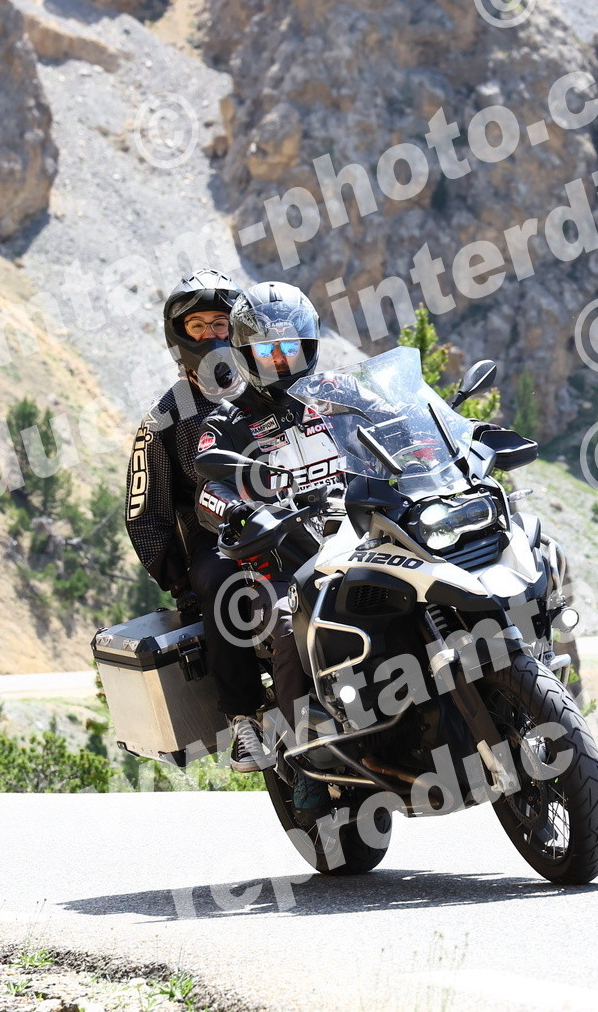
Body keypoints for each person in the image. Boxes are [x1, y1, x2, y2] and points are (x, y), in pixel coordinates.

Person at [193, 282, 341, 805]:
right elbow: (208, 486)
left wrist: (440, 440)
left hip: (361, 538)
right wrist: (236, 509)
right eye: (266, 349)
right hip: (282, 559)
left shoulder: (338, 395)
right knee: (286, 623)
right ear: (244, 353)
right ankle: (304, 759)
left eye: (289, 346)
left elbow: (399, 425)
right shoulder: (227, 419)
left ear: (309, 345)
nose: (279, 358)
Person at [123, 268, 269, 773]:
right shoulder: (164, 416)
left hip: (296, 511)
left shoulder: (271, 383)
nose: (211, 334)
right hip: (218, 535)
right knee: (222, 586)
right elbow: (144, 511)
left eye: (220, 323)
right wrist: (181, 583)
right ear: (179, 335)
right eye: (198, 325)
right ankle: (244, 720)